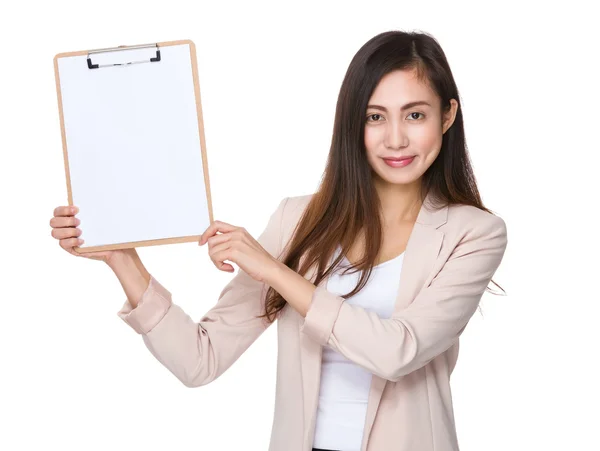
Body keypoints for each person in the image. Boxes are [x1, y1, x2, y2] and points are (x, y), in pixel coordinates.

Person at [49, 30, 508, 451]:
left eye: (415, 114)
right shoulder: (298, 220)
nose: (395, 138)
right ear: (353, 122)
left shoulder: (473, 234)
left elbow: (398, 350)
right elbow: (199, 359)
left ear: (447, 116)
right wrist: (121, 258)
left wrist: (274, 271)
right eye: (374, 116)